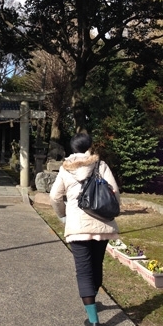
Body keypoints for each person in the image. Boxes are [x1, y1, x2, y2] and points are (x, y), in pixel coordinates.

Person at [49, 133, 120, 326]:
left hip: (78, 226)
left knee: (83, 271)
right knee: (96, 265)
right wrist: (111, 211)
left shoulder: (65, 169)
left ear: (72, 149)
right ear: (89, 146)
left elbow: (55, 196)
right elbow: (114, 192)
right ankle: (93, 301)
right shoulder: (100, 165)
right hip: (102, 224)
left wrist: (63, 215)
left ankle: (93, 320)